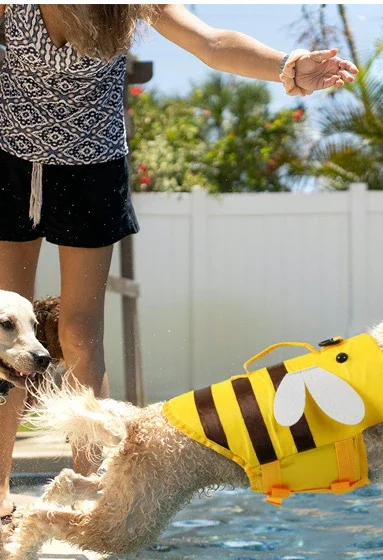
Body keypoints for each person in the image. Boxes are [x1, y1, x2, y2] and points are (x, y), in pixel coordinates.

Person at [0, 4, 358, 519]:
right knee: (8, 335)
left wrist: (288, 65)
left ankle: (91, 490)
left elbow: (209, 43)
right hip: (14, 159)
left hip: (92, 168)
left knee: (80, 333)